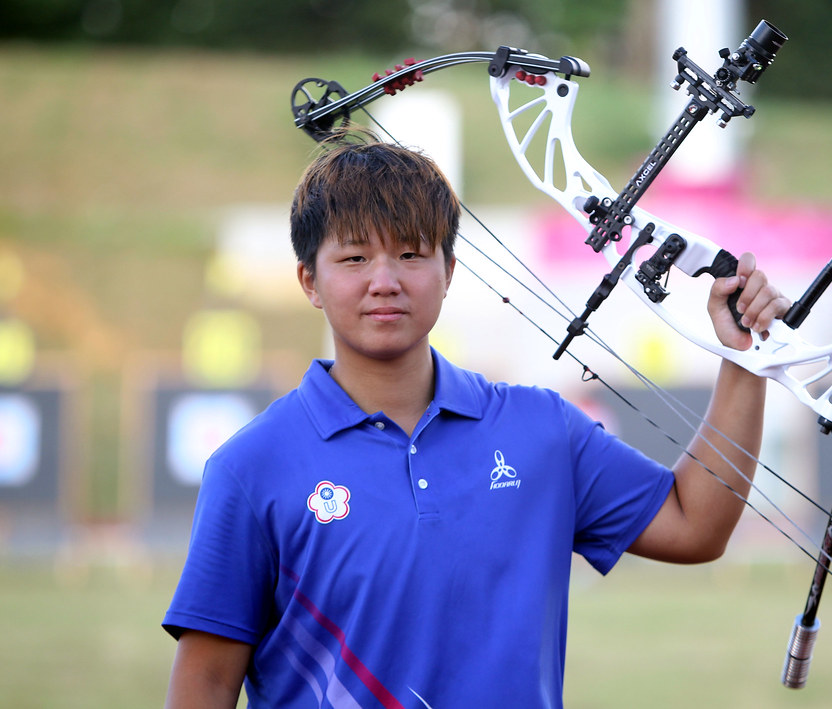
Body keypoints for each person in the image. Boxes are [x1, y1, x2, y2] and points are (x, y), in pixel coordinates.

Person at [163, 129, 790, 708]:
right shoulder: (251, 467)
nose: (385, 281)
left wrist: (744, 360)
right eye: (354, 259)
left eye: (411, 254)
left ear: (449, 273)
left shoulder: (540, 429)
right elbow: (207, 681)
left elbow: (696, 525)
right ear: (309, 280)